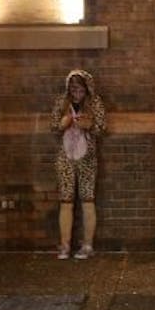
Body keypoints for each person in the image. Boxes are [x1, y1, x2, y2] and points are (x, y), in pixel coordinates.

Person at [51, 68, 108, 259]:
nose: (77, 94)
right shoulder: (61, 102)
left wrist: (89, 125)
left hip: (87, 158)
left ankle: (88, 245)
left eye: (80, 90)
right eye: (73, 90)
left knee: (87, 199)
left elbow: (101, 128)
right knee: (66, 200)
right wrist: (63, 123)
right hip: (65, 157)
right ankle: (65, 246)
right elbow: (53, 127)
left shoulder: (95, 103)